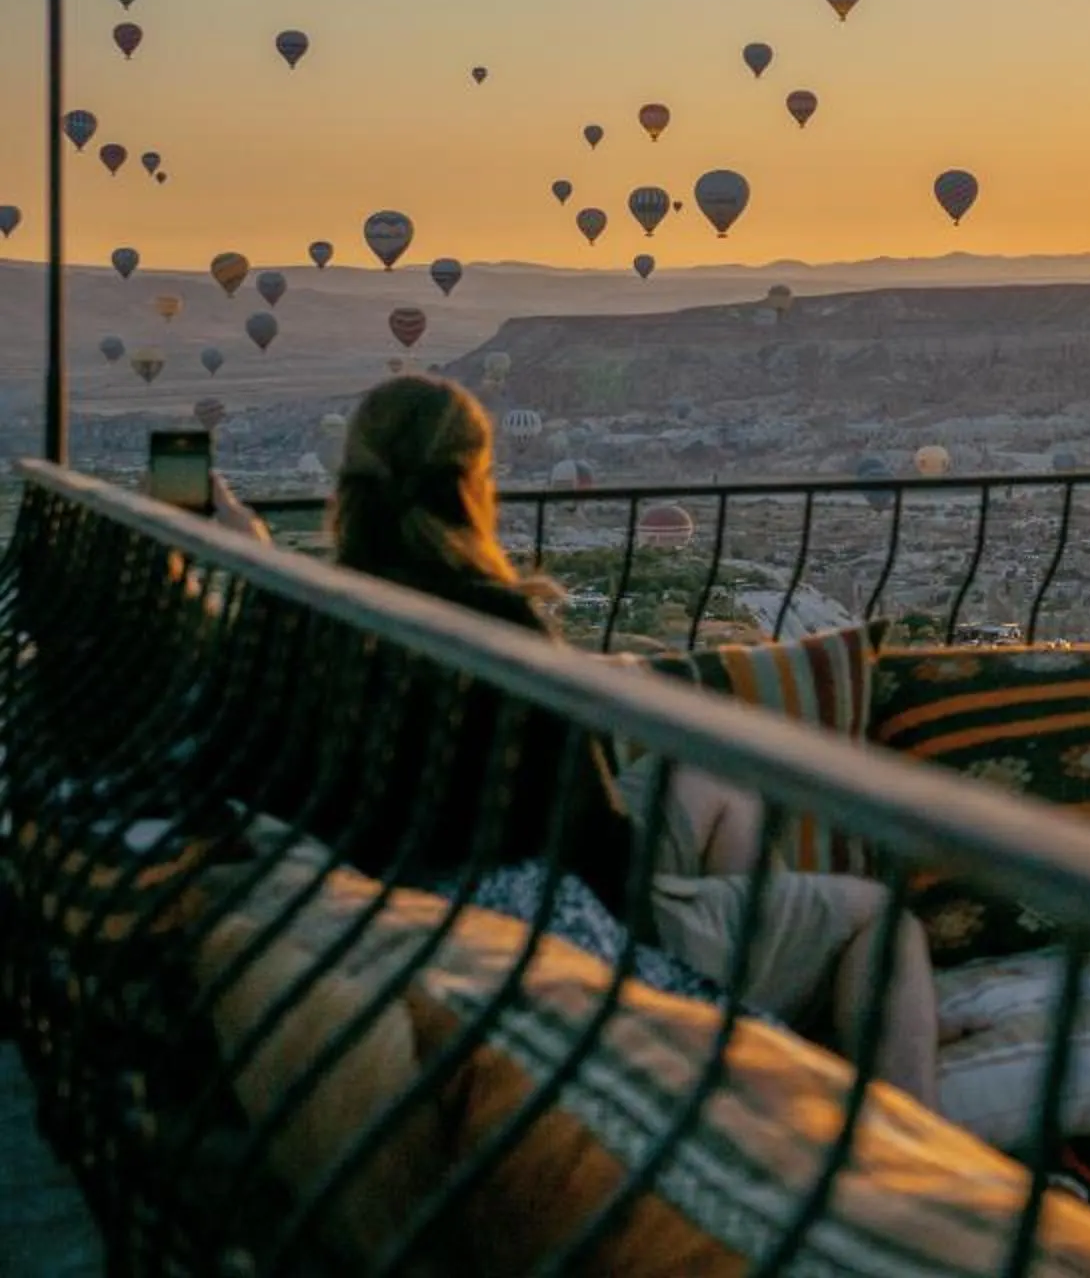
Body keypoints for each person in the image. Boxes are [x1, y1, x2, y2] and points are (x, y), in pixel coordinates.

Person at [212, 375, 939, 1107]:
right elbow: (592, 846)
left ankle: (762, 995)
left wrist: (257, 563)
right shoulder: (494, 626)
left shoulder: (294, 618)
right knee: (877, 918)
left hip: (407, 895)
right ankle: (909, 1157)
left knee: (700, 778)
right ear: (476, 483)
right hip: (541, 921)